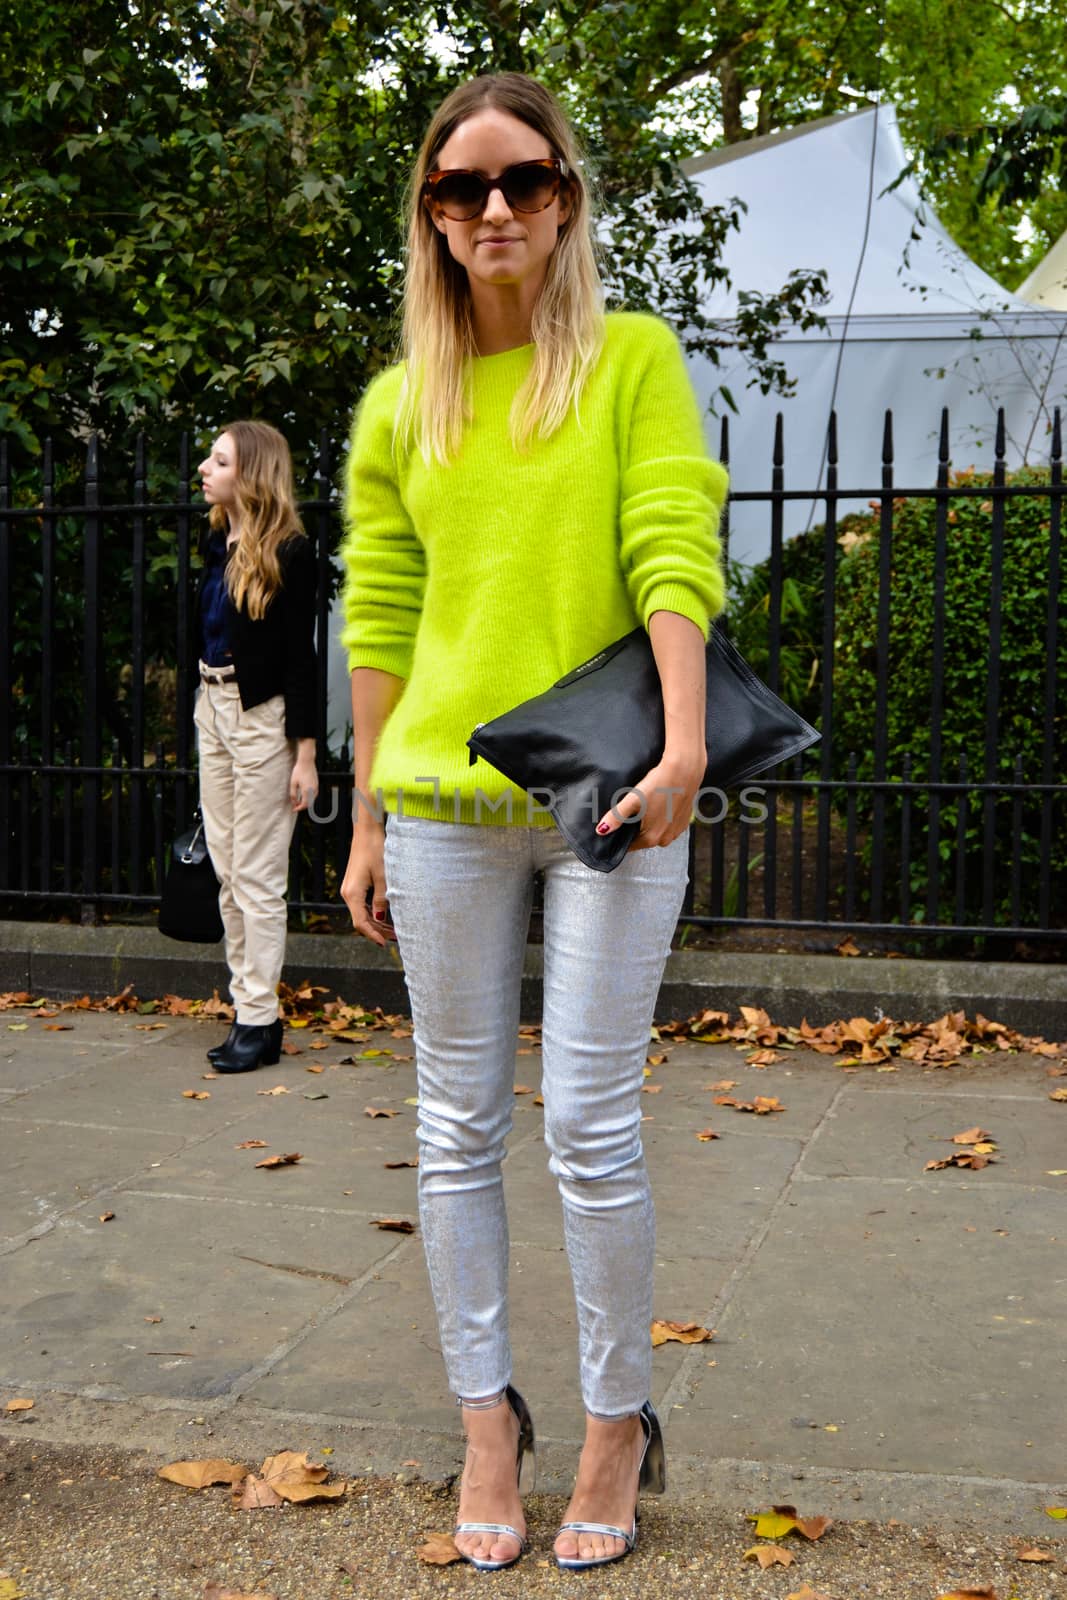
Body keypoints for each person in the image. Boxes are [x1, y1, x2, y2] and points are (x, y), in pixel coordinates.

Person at [339, 73, 726, 1572]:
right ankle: (484, 1419)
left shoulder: (628, 360)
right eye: (457, 188)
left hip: (617, 793)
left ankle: (615, 1420)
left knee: (584, 1121)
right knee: (450, 1124)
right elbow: (378, 610)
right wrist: (367, 816)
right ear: (430, 217)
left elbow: (667, 541)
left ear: (563, 195)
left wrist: (687, 742)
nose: (489, 209)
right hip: (436, 806)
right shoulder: (399, 405)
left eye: (517, 180)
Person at [194, 420, 319, 1073]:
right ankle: (248, 1008)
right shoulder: (217, 540)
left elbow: (302, 658)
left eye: (218, 461)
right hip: (210, 708)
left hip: (262, 717)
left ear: (251, 476)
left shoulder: (292, 553)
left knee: (257, 876)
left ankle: (259, 1020)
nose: (205, 469)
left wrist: (305, 753)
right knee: (225, 870)